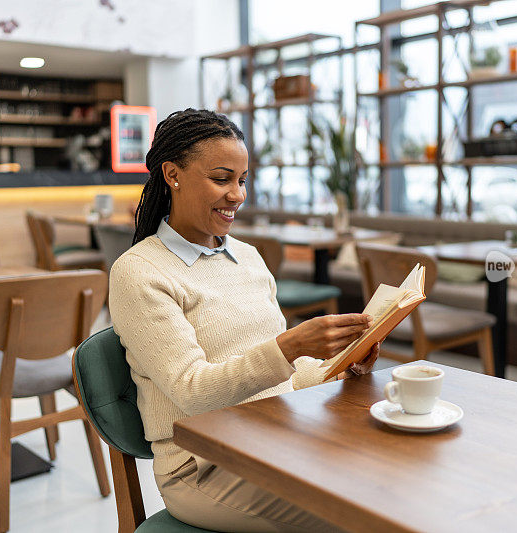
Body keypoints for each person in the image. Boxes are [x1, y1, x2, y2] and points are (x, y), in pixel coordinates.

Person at [109, 108, 379, 532]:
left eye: (242, 180)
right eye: (221, 178)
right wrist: (292, 345)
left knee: (388, 477)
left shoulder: (248, 258)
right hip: (204, 470)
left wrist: (339, 366)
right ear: (172, 174)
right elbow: (193, 392)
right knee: (361, 513)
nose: (237, 194)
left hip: (275, 440)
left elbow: (281, 376)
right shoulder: (140, 272)